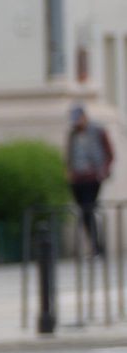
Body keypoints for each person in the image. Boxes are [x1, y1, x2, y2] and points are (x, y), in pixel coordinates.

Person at [66, 103, 115, 259]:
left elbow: (109, 153)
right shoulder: (72, 134)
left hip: (92, 177)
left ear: (85, 117)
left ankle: (99, 247)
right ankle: (95, 246)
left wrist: (103, 171)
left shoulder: (98, 130)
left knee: (89, 208)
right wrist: (69, 172)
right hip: (77, 178)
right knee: (85, 212)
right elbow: (69, 155)